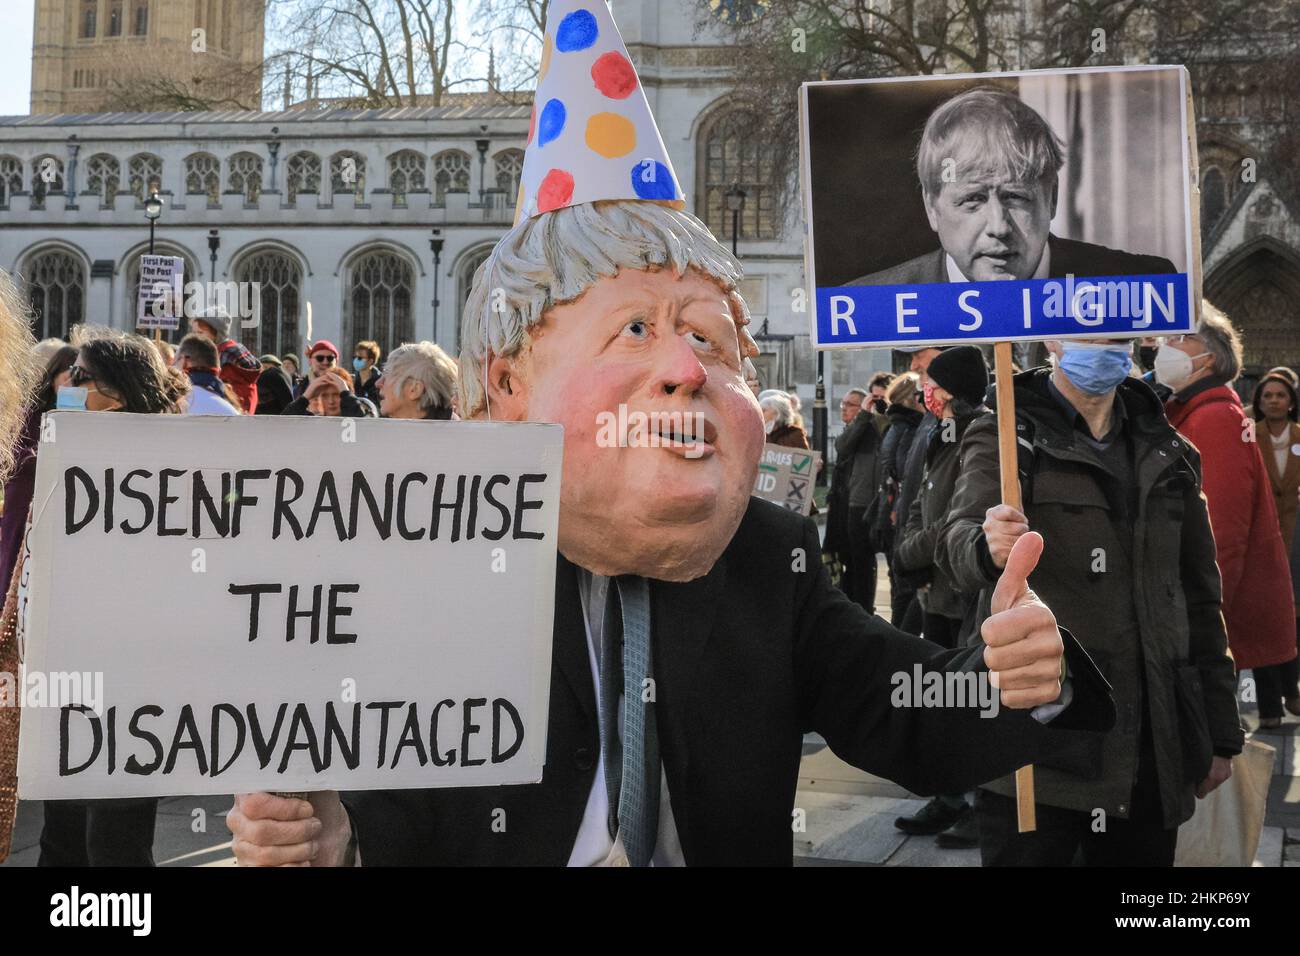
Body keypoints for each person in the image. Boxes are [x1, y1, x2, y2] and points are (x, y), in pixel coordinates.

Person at [228, 200, 1112, 868]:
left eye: (712, 342)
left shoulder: (770, 556)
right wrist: (331, 842)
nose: (688, 370)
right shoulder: (415, 568)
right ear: (505, 385)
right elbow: (386, 804)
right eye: (637, 330)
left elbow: (898, 713)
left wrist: (1016, 682)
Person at [938, 336, 1241, 866]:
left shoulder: (1171, 450)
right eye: (1088, 331)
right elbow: (955, 543)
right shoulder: (1006, 433)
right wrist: (985, 547)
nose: (1104, 345)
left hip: (1151, 745)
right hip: (1041, 743)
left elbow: (1199, 598)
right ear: (1053, 338)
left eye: (1117, 335)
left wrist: (1219, 728)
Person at [21, 329, 183, 866]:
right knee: (61, 836)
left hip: (134, 685)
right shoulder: (57, 452)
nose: (65, 382)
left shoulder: (174, 468)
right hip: (68, 671)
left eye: (82, 376)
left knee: (113, 841)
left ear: (117, 395)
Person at [849, 88, 1177, 286]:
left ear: (1052, 198)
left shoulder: (1145, 282)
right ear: (932, 208)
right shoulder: (866, 302)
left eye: (1016, 196)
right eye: (972, 200)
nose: (998, 227)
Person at [1159, 312, 1297, 724]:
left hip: (1199, 622)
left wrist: (1202, 624)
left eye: (1181, 336)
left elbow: (1219, 536)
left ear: (1208, 358)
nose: (1165, 344)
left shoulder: (1215, 419)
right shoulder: (1202, 412)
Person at [892, 346, 991, 848]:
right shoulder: (937, 434)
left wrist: (915, 546)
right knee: (947, 699)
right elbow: (918, 505)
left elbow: (955, 521)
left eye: (929, 383)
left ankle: (979, 804)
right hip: (936, 589)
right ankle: (950, 795)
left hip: (964, 589)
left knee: (975, 701)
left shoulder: (980, 432)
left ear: (950, 390)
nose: (923, 391)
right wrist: (912, 542)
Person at [1250, 371, 1300, 725]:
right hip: (1262, 540)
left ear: (1291, 401)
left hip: (1296, 539)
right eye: (1267, 395)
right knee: (1263, 618)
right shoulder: (1250, 435)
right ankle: (1268, 705)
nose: (1273, 401)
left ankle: (1293, 692)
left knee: (1295, 618)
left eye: (1280, 395)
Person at [893, 346, 947, 635]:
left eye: (920, 355)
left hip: (934, 564)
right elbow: (917, 487)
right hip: (913, 547)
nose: (912, 363)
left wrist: (914, 553)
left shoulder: (956, 425)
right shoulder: (930, 418)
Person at [870, 371, 925, 627]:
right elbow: (902, 469)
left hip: (896, 510)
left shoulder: (897, 424)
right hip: (901, 512)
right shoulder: (907, 426)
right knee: (905, 589)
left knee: (901, 586)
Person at [828, 387, 880, 610]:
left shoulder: (870, 428)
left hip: (860, 504)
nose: (844, 409)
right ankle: (849, 604)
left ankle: (862, 607)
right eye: (843, 404)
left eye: (850, 405)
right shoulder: (854, 428)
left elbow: (843, 446)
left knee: (861, 563)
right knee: (845, 558)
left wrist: (865, 417)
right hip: (843, 502)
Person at [189, 311, 260, 413]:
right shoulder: (225, 351)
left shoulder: (224, 356)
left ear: (216, 334)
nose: (195, 338)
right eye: (193, 333)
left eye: (200, 333)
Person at [377, 341, 457, 420]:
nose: (378, 383)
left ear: (415, 389)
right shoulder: (378, 429)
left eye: (387, 374)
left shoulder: (457, 431)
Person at [174, 333, 240, 416]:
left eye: (175, 361)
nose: (173, 368)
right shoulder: (232, 410)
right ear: (218, 369)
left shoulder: (175, 404)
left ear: (184, 361)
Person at [282, 366, 366, 418]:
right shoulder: (313, 423)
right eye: (325, 396)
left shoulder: (360, 410)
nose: (331, 401)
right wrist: (305, 398)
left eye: (336, 395)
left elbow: (359, 423)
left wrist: (346, 393)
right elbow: (285, 424)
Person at [352, 340, 383, 406]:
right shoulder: (352, 381)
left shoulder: (380, 382)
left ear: (370, 361)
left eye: (360, 358)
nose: (356, 360)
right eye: (355, 357)